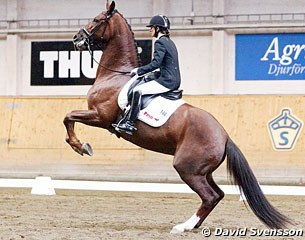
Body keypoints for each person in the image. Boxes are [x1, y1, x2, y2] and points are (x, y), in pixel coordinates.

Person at [113, 15, 181, 135]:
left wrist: (139, 71)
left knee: (137, 90)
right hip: (173, 79)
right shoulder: (170, 42)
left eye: (152, 27)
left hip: (167, 81)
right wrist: (153, 75)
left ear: (158, 29)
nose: (150, 30)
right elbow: (167, 65)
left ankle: (129, 123)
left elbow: (156, 63)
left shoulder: (160, 42)